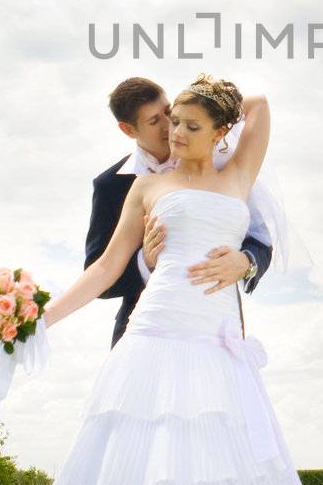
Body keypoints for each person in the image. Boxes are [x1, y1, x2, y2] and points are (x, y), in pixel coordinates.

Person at [0, 74, 323, 485]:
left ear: (219, 131)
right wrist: (33, 321)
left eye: (188, 124)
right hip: (155, 337)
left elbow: (262, 104)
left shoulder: (238, 174)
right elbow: (104, 268)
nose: (176, 135)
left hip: (216, 347)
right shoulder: (145, 187)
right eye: (170, 124)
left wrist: (214, 98)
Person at [84, 76, 274, 349]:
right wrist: (145, 262)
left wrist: (246, 262)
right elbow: (100, 272)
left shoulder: (222, 165)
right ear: (128, 129)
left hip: (214, 325)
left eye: (168, 112)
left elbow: (259, 240)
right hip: (145, 331)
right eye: (154, 121)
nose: (169, 127)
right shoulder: (111, 186)